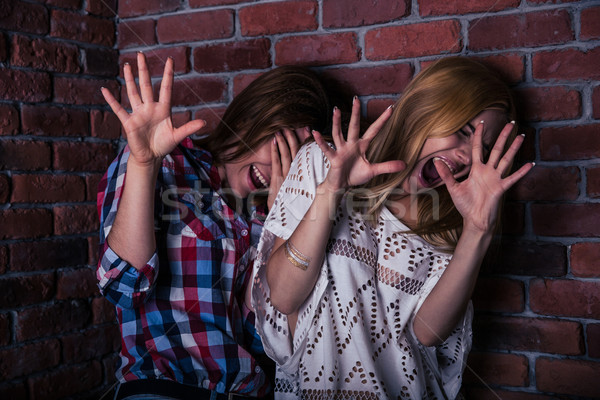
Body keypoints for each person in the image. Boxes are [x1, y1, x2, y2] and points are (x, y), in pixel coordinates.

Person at [251, 57, 534, 399]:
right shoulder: (321, 162)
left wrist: (477, 232)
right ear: (425, 108)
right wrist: (331, 191)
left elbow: (427, 336)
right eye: (462, 132)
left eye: (481, 151)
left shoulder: (450, 228)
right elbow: (282, 297)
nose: (464, 156)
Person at [96, 52, 334, 399]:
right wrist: (144, 164)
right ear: (254, 116)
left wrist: (280, 219)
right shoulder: (167, 164)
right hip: (165, 387)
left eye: (297, 158)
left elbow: (263, 339)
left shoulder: (268, 216)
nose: (279, 167)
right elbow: (122, 285)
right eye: (281, 145)